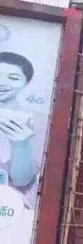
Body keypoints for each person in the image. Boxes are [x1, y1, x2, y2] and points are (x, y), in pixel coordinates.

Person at [0, 52, 38, 195]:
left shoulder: (29, 121)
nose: (2, 83)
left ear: (26, 83)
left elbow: (21, 181)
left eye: (13, 78)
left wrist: (21, 147)